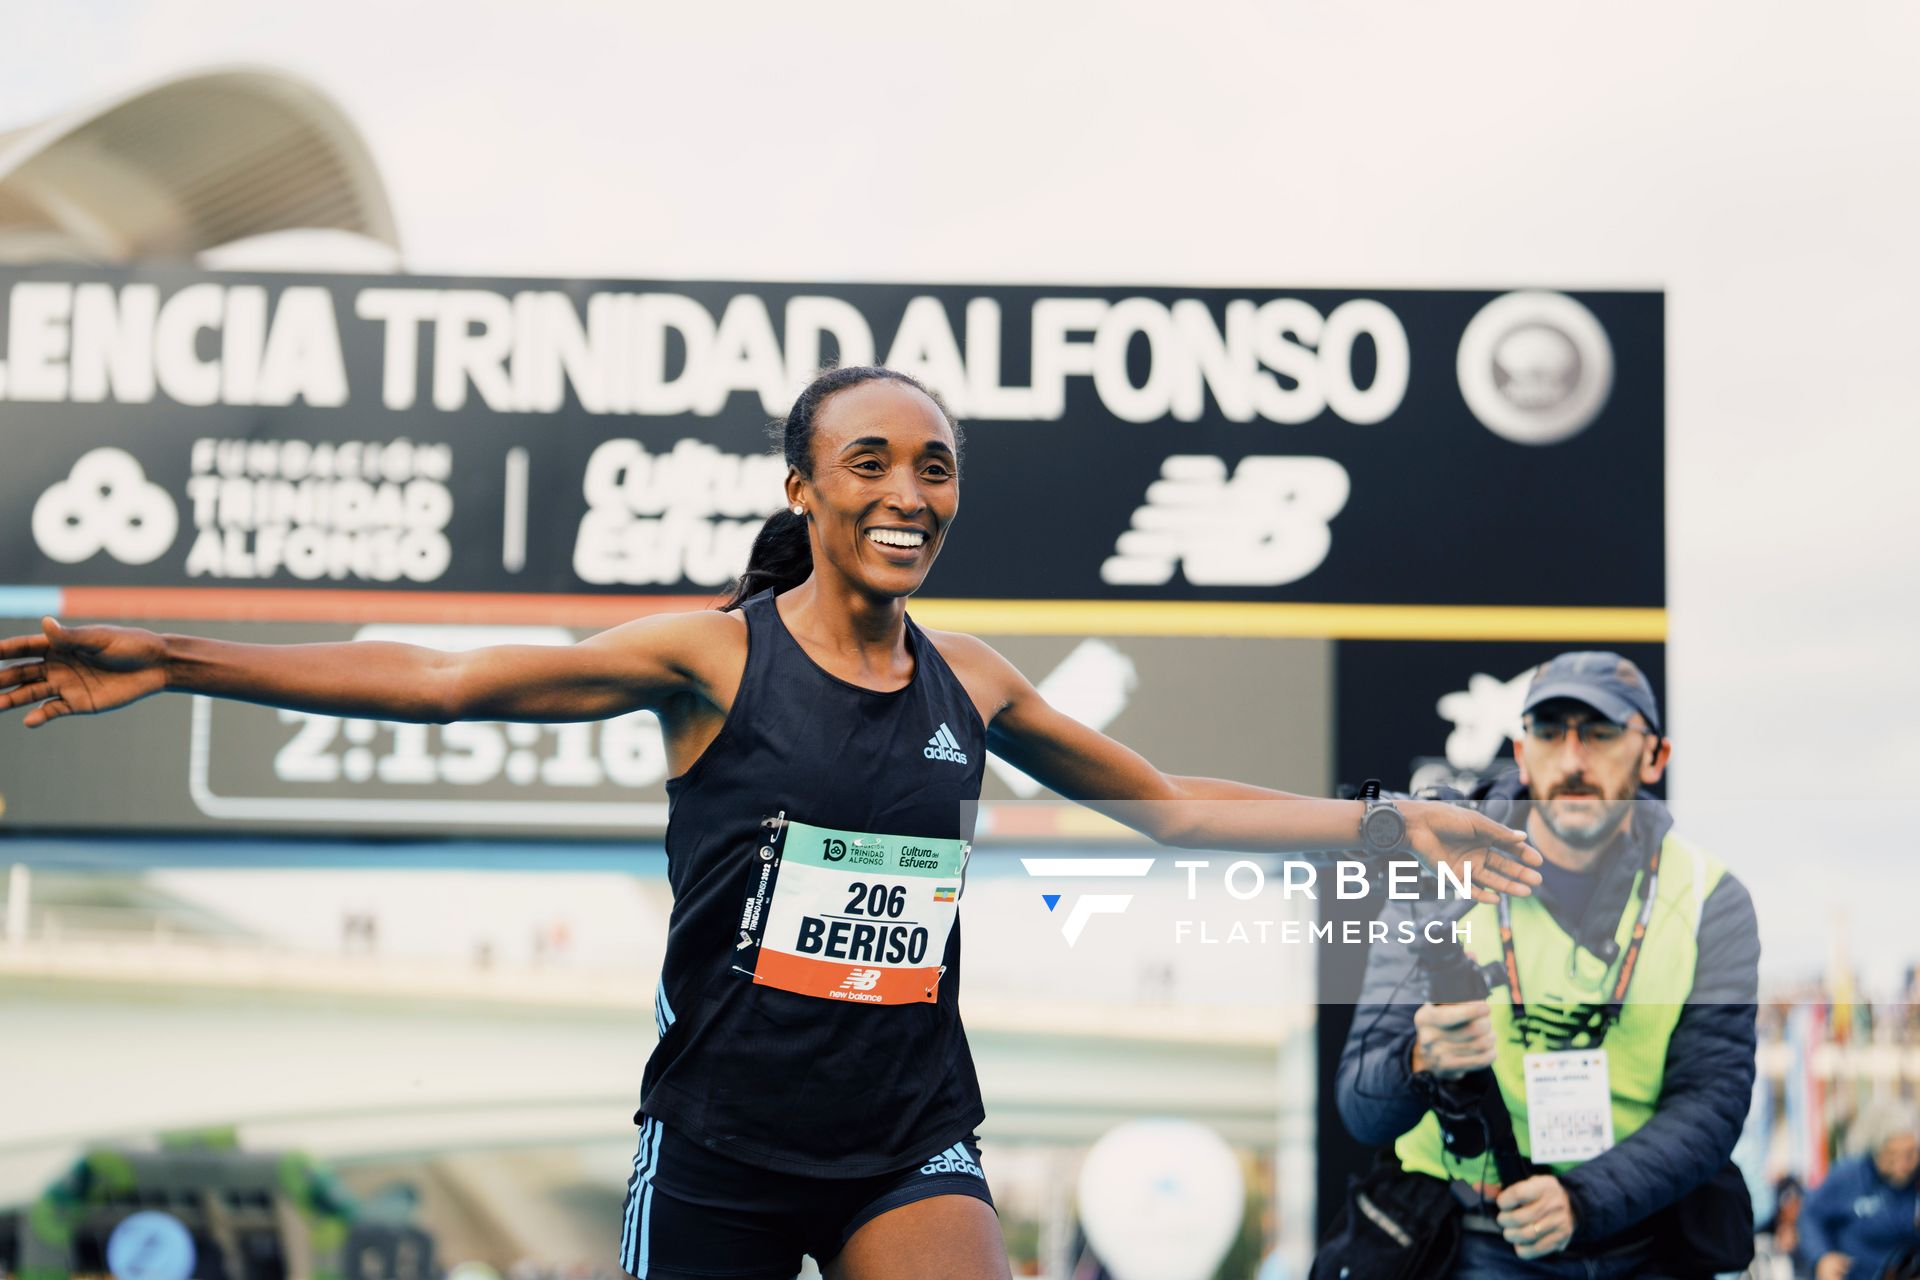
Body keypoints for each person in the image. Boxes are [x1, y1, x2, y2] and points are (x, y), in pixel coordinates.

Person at [0, 365, 1542, 1280]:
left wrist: (1379, 819)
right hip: (723, 1144)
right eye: (867, 461)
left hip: (904, 1138)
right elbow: (453, 676)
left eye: (935, 468)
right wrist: (171, 656)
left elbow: (1173, 807)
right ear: (802, 488)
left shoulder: (974, 678)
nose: (907, 491)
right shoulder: (711, 657)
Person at [1334, 651, 1762, 1279]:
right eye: (1549, 731)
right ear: (1521, 749)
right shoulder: (1435, 872)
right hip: (1469, 1239)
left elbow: (1714, 1097)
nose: (1572, 760)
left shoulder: (1711, 895)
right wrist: (1420, 1062)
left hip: (1642, 1240)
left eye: (1600, 732)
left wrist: (1584, 1201)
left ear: (1655, 756)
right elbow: (1360, 1107)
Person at [1801, 1100, 1920, 1280]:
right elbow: (1810, 1214)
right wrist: (1821, 1257)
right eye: (1892, 1155)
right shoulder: (1849, 1175)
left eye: (1910, 1154)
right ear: (1875, 1150)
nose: (1901, 1165)